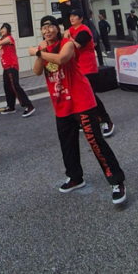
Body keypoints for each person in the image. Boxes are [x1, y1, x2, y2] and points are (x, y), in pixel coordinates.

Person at [29, 16, 126, 204]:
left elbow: (62, 58)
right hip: (61, 104)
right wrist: (40, 52)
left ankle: (116, 181)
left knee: (95, 142)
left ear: (57, 29)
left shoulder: (67, 44)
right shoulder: (42, 48)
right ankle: (75, 178)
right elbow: (37, 72)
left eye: (51, 27)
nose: (47, 30)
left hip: (81, 100)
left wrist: (38, 53)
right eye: (44, 28)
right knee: (67, 144)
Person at [65, 10, 115, 138]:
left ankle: (106, 120)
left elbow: (74, 46)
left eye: (74, 16)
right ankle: (89, 119)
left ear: (80, 18)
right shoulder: (70, 30)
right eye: (70, 16)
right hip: (76, 69)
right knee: (77, 96)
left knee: (90, 96)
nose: (72, 18)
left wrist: (67, 38)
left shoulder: (84, 30)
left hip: (88, 68)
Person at [0, 23, 35, 118]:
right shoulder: (1, 39)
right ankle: (11, 106)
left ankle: (29, 105)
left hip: (12, 66)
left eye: (4, 29)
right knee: (7, 87)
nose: (2, 30)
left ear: (8, 31)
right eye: (1, 28)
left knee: (15, 86)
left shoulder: (9, 38)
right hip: (5, 67)